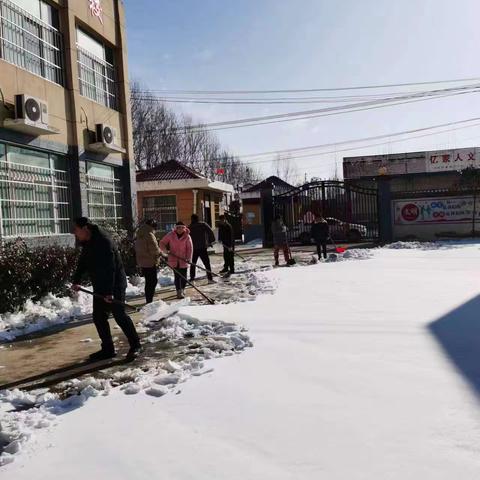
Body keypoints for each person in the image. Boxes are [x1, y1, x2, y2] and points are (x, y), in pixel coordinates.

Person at [72, 217, 141, 361]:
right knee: (99, 317)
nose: (75, 233)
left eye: (76, 230)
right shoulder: (87, 242)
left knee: (119, 315)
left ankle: (136, 345)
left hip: (114, 284)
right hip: (100, 284)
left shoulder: (104, 241)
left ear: (85, 229)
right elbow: (83, 262)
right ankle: (108, 349)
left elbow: (111, 268)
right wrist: (76, 280)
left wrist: (109, 292)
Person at [159, 221, 193, 299]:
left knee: (183, 276)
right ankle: (178, 292)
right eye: (178, 228)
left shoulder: (187, 236)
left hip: (184, 260)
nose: (180, 229)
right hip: (173, 259)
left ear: (184, 228)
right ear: (176, 228)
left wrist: (188, 258)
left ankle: (183, 289)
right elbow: (162, 243)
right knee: (177, 276)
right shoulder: (170, 235)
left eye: (182, 227)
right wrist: (165, 250)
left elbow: (190, 249)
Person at [134, 219, 161, 304]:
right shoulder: (149, 234)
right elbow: (154, 249)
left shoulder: (139, 233)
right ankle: (149, 300)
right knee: (152, 281)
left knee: (148, 281)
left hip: (142, 261)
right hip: (150, 261)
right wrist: (160, 254)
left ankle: (149, 299)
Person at [189, 214, 216, 284]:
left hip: (193, 249)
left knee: (193, 264)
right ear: (198, 219)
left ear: (191, 219)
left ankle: (192, 279)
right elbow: (210, 232)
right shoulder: (203, 225)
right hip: (202, 248)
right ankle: (210, 279)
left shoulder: (189, 227)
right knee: (207, 264)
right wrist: (211, 241)